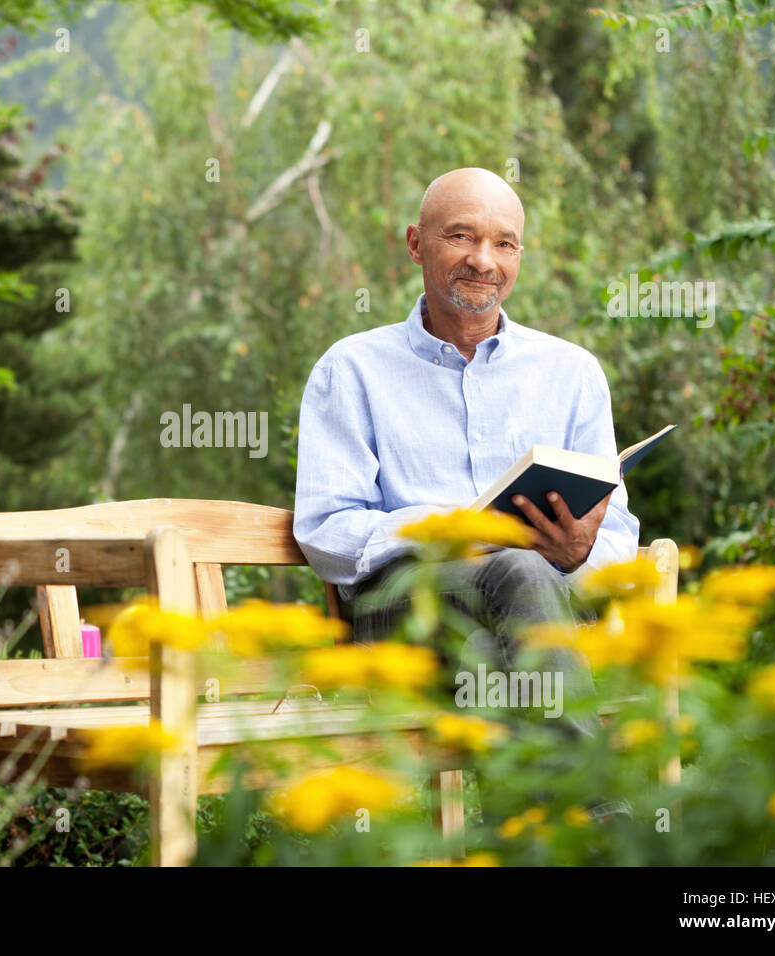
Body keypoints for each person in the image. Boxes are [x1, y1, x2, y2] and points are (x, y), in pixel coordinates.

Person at [292, 168, 640, 817]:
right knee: (511, 567)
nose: (484, 260)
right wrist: (455, 530)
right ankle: (592, 832)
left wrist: (578, 553)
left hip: (536, 621)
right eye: (461, 236)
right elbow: (326, 531)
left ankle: (534, 840)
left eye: (504, 244)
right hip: (405, 618)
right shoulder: (352, 369)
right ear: (415, 244)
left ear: (520, 257)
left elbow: (618, 535)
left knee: (505, 630)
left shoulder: (572, 374)